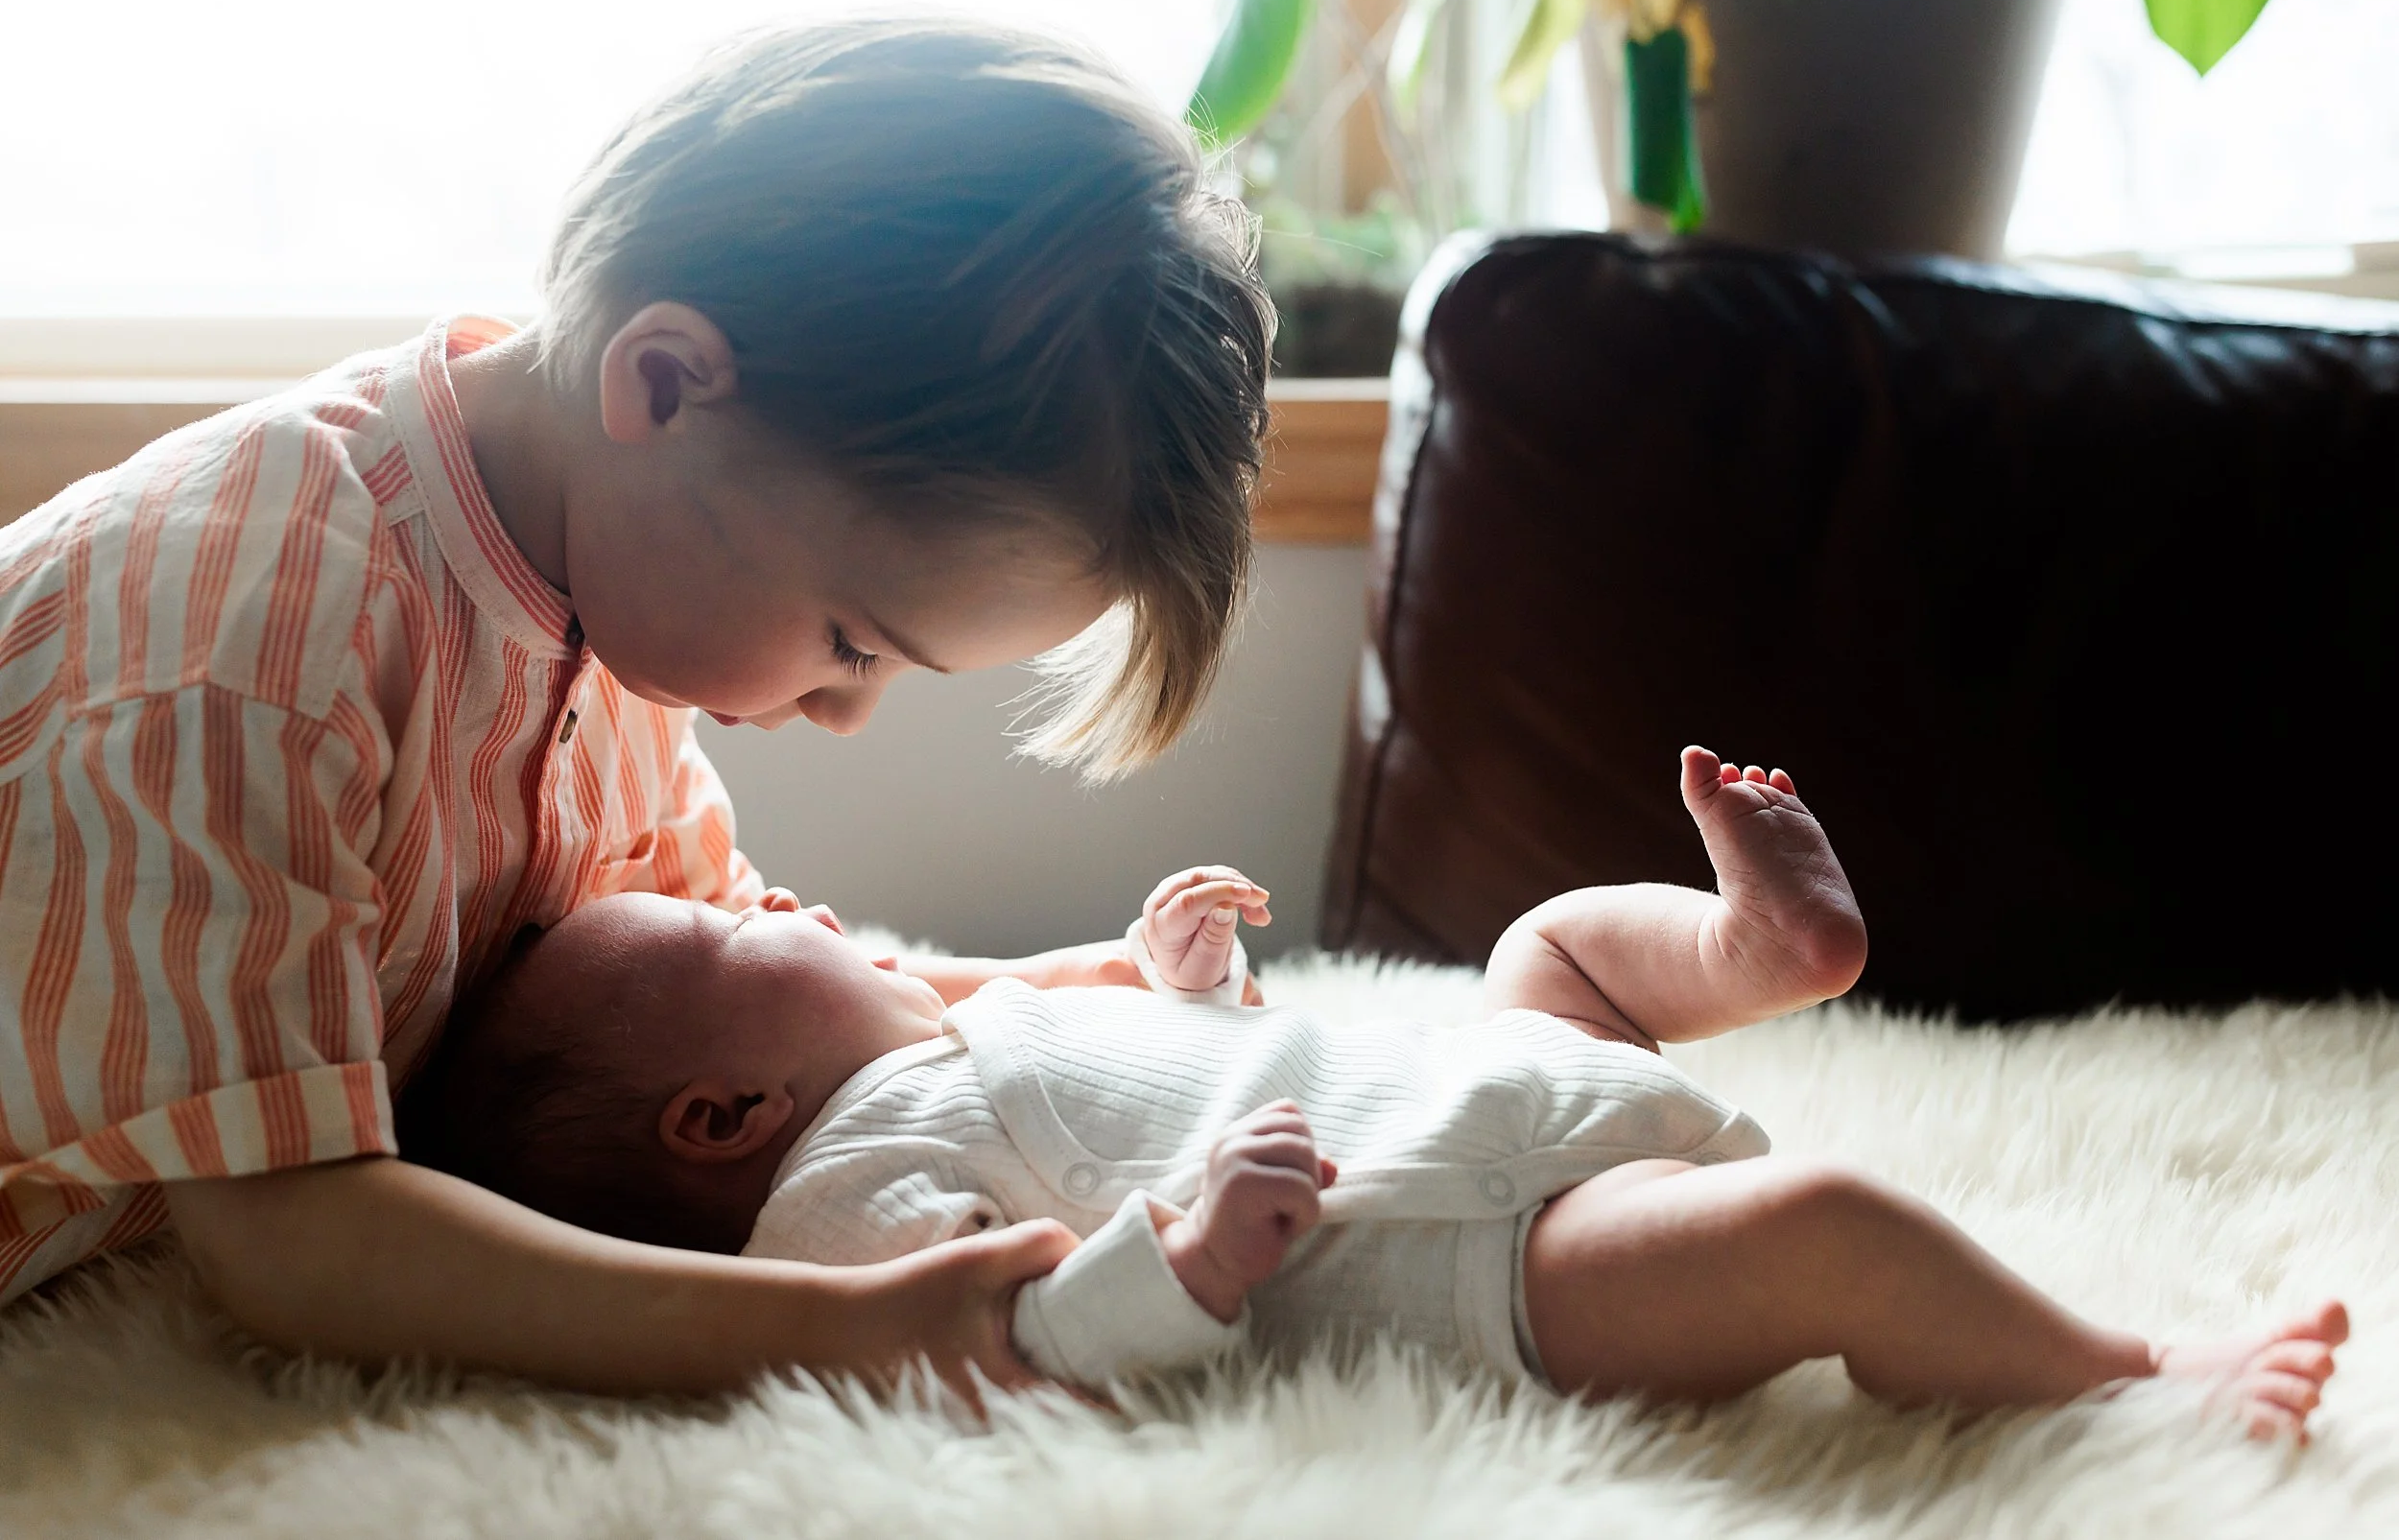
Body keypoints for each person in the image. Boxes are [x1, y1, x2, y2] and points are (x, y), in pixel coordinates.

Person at [0, 18, 1272, 1397]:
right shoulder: (249, 645)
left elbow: (758, 976)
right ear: (661, 385)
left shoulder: (590, 586)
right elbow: (290, 1238)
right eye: (851, 642)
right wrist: (854, 1328)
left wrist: (1075, 986)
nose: (844, 716)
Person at [416, 748, 2348, 1441]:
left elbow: (1172, 1071)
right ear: (718, 1120)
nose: (810, 912)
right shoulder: (850, 1188)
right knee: (1814, 1229)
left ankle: (1759, 959)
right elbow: (1006, 1339)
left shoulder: (946, 1038)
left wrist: (1186, 989)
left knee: (1552, 950)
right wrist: (1178, 1262)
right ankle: (2119, 1370)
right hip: (1487, 1253)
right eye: (752, 941)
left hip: (1471, 1076)